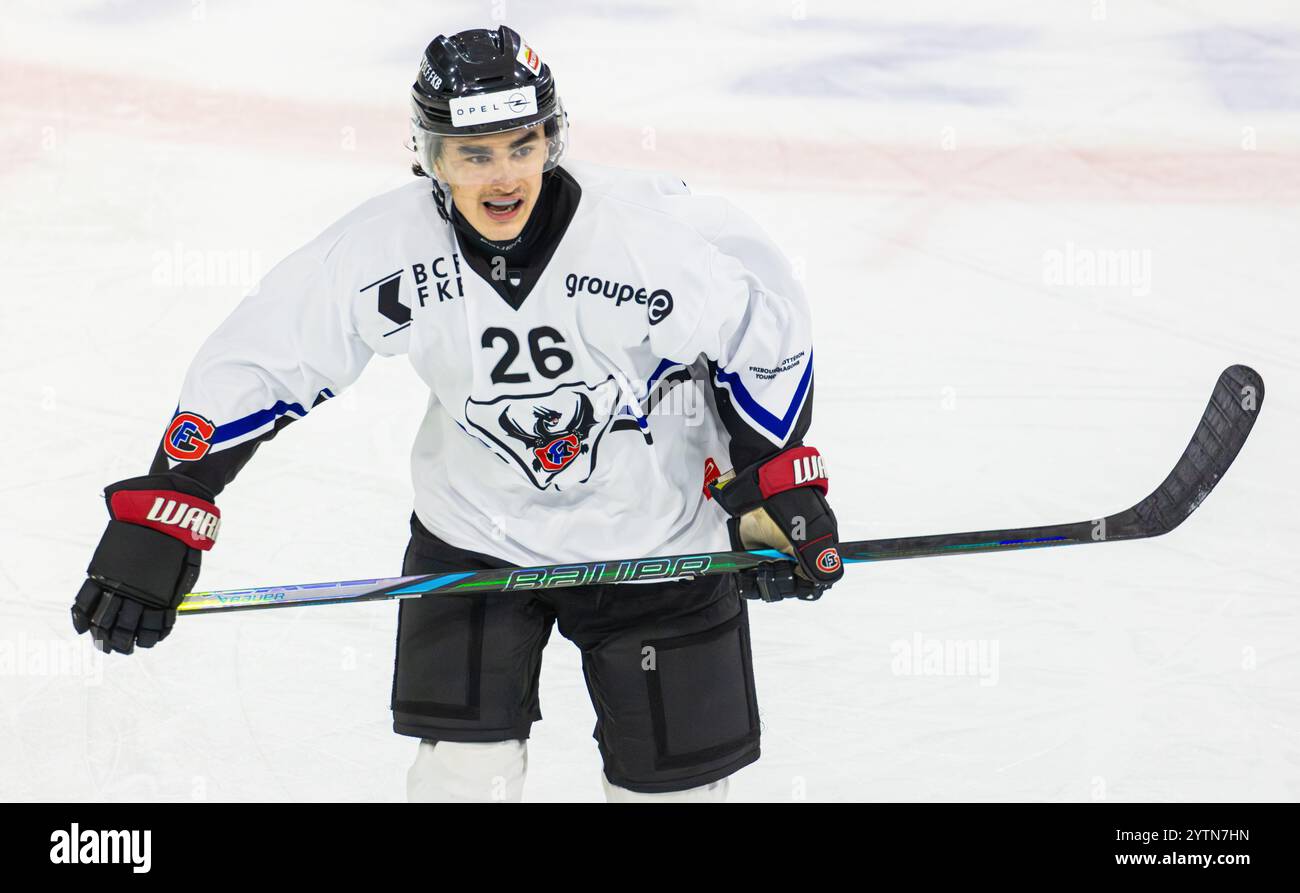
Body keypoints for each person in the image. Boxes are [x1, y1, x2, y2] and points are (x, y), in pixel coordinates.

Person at [71, 25, 844, 802]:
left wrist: (770, 480)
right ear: (429, 156)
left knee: (672, 793)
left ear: (553, 139)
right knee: (460, 780)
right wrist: (172, 503)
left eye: (521, 145)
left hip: (658, 537)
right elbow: (269, 352)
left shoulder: (650, 237)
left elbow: (763, 335)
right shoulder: (387, 248)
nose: (503, 175)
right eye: (474, 154)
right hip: (477, 536)